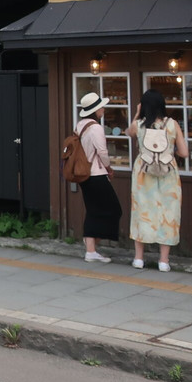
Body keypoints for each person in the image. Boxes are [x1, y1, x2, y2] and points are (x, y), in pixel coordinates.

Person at [126, 88, 189, 272]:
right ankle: (164, 261)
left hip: (143, 174)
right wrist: (168, 151)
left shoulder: (139, 125)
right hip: (168, 173)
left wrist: (137, 113)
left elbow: (128, 132)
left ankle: (138, 259)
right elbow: (184, 152)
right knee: (168, 214)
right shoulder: (172, 124)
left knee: (142, 212)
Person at [75, 92, 123, 263]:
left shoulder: (80, 125)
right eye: (101, 106)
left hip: (84, 174)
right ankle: (91, 246)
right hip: (96, 173)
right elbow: (102, 152)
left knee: (94, 209)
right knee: (114, 209)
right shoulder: (95, 128)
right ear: (95, 110)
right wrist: (109, 167)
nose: (103, 108)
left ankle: (91, 246)